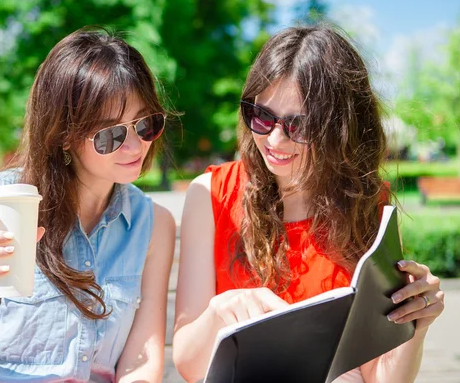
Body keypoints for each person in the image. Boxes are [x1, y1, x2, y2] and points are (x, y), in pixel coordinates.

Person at [173, 25, 445, 382]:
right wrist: (219, 313)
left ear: (341, 128)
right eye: (262, 116)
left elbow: (382, 377)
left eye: (298, 126)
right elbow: (189, 366)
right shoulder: (210, 194)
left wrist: (414, 326)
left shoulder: (366, 203)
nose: (274, 140)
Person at [0, 27, 176, 382]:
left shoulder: (153, 225)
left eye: (145, 124)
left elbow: (142, 366)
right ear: (64, 136)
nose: (134, 147)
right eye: (110, 135)